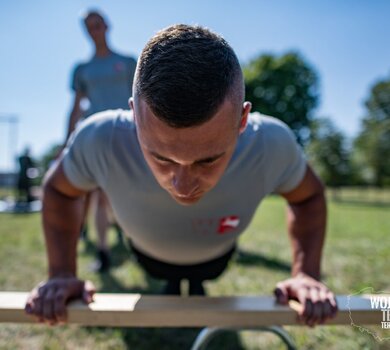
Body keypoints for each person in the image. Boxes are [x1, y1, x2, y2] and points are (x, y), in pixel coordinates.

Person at [26, 24, 338, 327]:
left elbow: (308, 195)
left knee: (199, 276)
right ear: (135, 115)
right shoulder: (100, 138)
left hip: (217, 257)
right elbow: (60, 190)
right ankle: (176, 281)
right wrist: (61, 271)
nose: (182, 186)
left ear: (242, 119)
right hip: (148, 256)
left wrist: (306, 273)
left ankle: (193, 282)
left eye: (208, 160)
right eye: (161, 157)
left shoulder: (271, 143)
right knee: (170, 278)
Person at [66, 9, 137, 272]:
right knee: (99, 192)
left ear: (107, 26)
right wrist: (68, 141)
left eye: (98, 24)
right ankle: (104, 251)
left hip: (128, 132)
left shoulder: (128, 62)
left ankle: (139, 242)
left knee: (131, 187)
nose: (95, 30)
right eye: (89, 26)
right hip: (96, 134)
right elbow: (75, 107)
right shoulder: (83, 69)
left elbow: (141, 99)